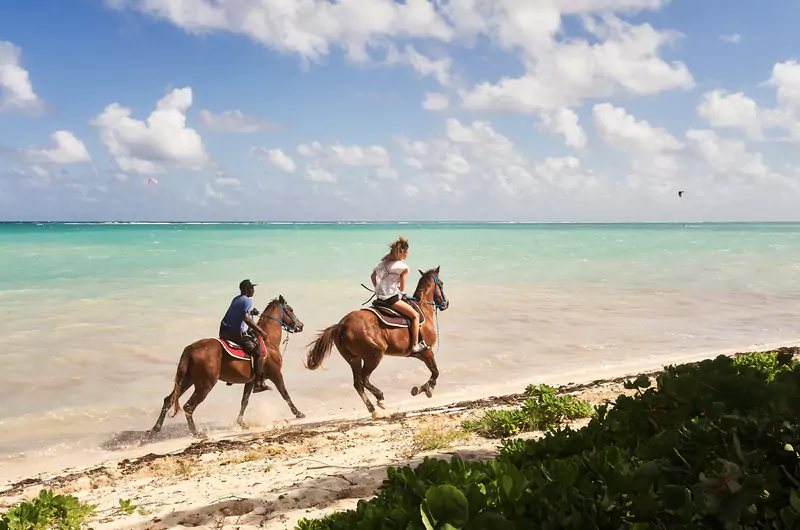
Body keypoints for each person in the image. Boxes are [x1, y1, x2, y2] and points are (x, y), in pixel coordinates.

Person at [371, 236, 429, 354]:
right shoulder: (403, 267)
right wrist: (397, 288)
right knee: (415, 316)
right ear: (402, 252)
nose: (408, 255)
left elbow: (373, 277)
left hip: (379, 298)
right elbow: (402, 288)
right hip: (391, 299)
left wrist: (378, 288)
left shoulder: (381, 263)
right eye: (407, 252)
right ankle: (415, 345)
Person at [220, 279, 271, 392]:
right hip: (235, 333)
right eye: (252, 288)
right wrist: (261, 331)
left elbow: (238, 313)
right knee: (258, 352)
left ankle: (231, 377)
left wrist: (252, 312)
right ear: (246, 289)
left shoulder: (236, 299)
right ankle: (258, 383)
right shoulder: (247, 300)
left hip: (224, 331)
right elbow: (246, 319)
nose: (253, 290)